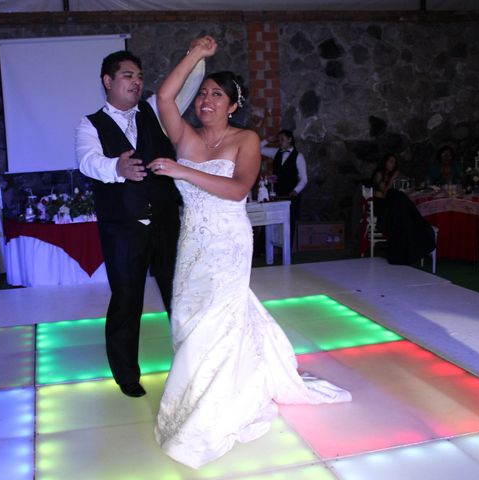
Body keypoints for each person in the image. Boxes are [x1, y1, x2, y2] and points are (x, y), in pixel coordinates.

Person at [148, 36, 351, 469]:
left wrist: (181, 169)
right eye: (202, 93)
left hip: (228, 244)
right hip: (192, 245)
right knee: (187, 318)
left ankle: (211, 414)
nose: (205, 100)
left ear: (232, 105)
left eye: (216, 95)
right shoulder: (183, 134)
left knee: (215, 323)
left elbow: (238, 188)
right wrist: (196, 56)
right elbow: (165, 96)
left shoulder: (247, 139)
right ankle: (195, 395)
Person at [75, 40, 207, 398]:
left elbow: (186, 85)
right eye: (127, 76)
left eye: (140, 76)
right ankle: (126, 376)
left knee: (178, 297)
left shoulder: (154, 110)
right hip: (123, 229)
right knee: (126, 301)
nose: (136, 82)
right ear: (108, 81)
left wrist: (196, 55)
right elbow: (88, 160)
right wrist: (116, 167)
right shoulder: (90, 125)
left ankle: (192, 365)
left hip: (166, 223)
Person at [260, 129, 308, 245]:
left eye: (282, 139)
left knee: (289, 221)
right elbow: (258, 149)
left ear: (290, 140)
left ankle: (286, 250)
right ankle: (263, 248)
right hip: (276, 193)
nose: (280, 142)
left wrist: (295, 191)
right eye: (279, 140)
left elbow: (304, 178)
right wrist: (267, 140)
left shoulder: (298, 156)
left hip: (291, 194)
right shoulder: (275, 152)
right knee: (270, 219)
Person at [370, 153, 400, 232]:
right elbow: (385, 193)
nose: (393, 165)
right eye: (391, 162)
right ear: (385, 162)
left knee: (402, 204)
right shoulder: (379, 174)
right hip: (379, 204)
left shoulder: (388, 174)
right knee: (400, 209)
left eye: (394, 163)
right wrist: (392, 179)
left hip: (385, 203)